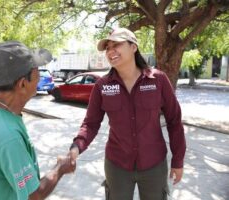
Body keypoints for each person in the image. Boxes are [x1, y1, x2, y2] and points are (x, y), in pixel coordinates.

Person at [68, 28, 186, 200]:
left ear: (133, 47)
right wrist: (76, 147)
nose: (110, 51)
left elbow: (174, 121)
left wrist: (178, 160)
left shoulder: (158, 80)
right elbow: (91, 123)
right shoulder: (102, 85)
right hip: (117, 166)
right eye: (107, 48)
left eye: (116, 45)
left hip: (154, 164)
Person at [0, 41, 75, 200]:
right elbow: (33, 195)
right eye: (37, 72)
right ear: (22, 84)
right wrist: (60, 168)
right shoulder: (8, 137)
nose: (40, 76)